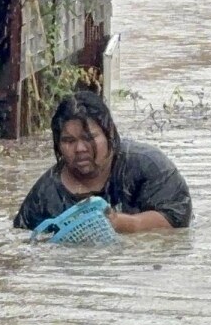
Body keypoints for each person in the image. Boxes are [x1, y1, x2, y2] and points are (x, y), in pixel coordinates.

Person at [14, 91, 192, 234]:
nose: (80, 149)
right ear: (58, 145)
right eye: (69, 141)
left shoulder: (148, 166)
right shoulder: (44, 196)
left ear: (110, 135)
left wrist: (119, 223)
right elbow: (23, 240)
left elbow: (178, 220)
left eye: (89, 138)